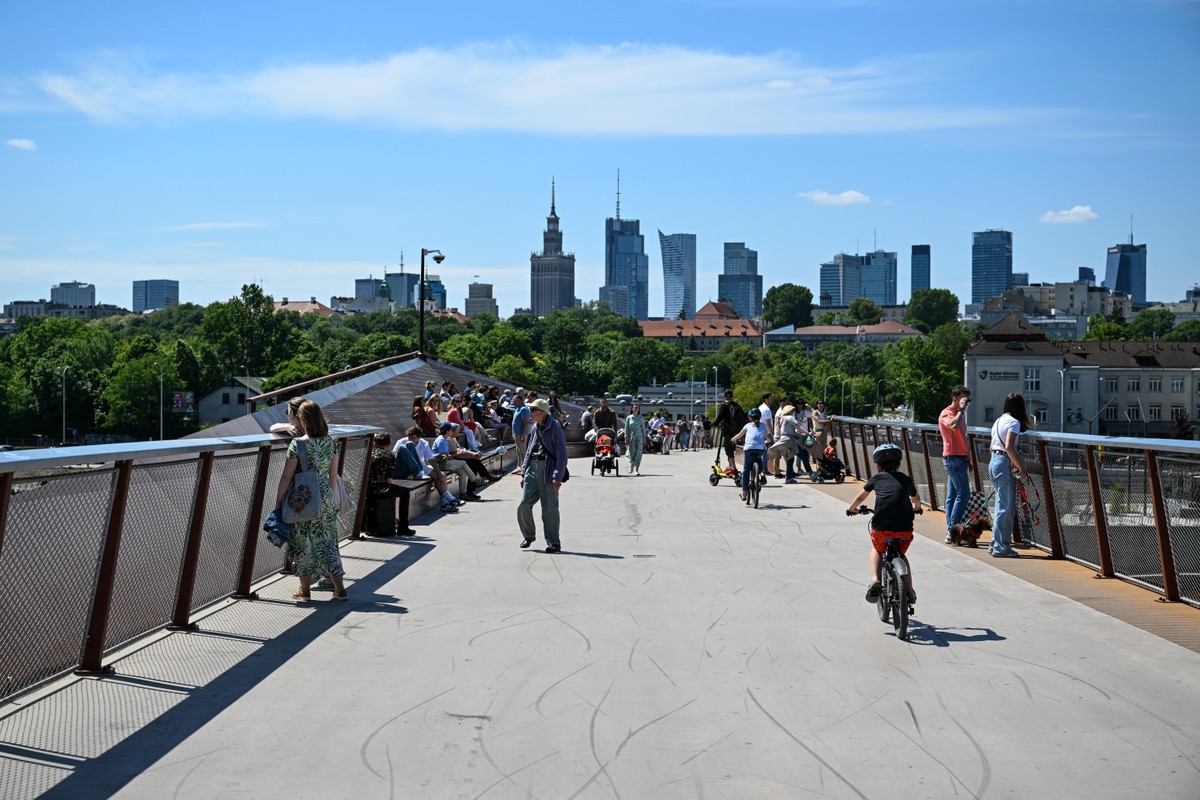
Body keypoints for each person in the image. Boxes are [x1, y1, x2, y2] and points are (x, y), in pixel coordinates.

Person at [273, 400, 348, 602]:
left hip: (303, 498)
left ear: (302, 420)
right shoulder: (331, 443)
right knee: (329, 542)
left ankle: (305, 590)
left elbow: (287, 476)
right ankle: (339, 589)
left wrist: (278, 501)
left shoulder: (298, 444)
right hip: (325, 496)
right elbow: (333, 476)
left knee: (302, 543)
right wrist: (330, 499)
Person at [847, 443, 922, 605]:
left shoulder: (876, 479)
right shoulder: (906, 479)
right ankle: (909, 590)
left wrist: (852, 509)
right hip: (904, 529)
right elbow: (915, 499)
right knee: (901, 555)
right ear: (899, 464)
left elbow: (861, 497)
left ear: (878, 465)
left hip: (882, 528)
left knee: (877, 549)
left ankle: (875, 579)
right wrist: (917, 508)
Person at [518, 398, 568, 553]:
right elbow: (529, 450)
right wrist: (523, 471)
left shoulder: (555, 427)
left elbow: (562, 453)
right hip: (533, 467)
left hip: (548, 469)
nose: (530, 413)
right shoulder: (534, 427)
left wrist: (557, 475)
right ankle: (529, 535)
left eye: (532, 410)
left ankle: (553, 542)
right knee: (524, 504)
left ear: (541, 412)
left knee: (549, 509)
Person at [989, 392, 1030, 558]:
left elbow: (993, 446)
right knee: (1006, 507)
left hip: (994, 461)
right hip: (1004, 462)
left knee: (1001, 504)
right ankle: (1001, 547)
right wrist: (1022, 468)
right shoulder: (1014, 423)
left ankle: (996, 544)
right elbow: (1009, 447)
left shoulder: (998, 421)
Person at [394, 427, 461, 512]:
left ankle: (445, 503)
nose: (410, 439)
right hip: (405, 467)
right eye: (409, 437)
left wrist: (439, 472)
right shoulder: (402, 442)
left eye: (413, 438)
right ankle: (449, 498)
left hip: (421, 466)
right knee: (407, 446)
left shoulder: (424, 443)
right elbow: (395, 456)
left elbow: (431, 459)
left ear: (419, 437)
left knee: (441, 476)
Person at [939, 385, 972, 545]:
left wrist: (968, 458)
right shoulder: (947, 413)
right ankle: (953, 531)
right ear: (955, 399)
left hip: (959, 458)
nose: (966, 403)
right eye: (964, 400)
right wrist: (961, 410)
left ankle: (950, 530)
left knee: (952, 496)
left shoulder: (959, 414)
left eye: (968, 400)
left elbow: (962, 438)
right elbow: (953, 425)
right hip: (952, 459)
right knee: (963, 495)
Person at [366, 432, 417, 536]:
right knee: (405, 492)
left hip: (367, 490)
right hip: (381, 490)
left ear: (375, 443)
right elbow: (389, 481)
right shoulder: (389, 455)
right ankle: (403, 527)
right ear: (388, 444)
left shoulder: (369, 453)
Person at [432, 423, 485, 499]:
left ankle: (463, 494)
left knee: (462, 472)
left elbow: (448, 455)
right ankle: (475, 480)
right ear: (447, 431)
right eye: (450, 430)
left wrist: (456, 457)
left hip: (444, 462)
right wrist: (456, 457)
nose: (452, 431)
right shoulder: (441, 440)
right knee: (463, 463)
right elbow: (446, 456)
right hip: (441, 464)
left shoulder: (444, 439)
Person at [731, 407, 768, 502]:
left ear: (750, 418)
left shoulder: (747, 426)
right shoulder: (764, 425)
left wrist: (733, 439)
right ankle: (762, 473)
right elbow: (768, 437)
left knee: (746, 470)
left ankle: (744, 493)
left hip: (749, 449)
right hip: (760, 449)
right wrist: (768, 441)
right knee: (759, 458)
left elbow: (739, 435)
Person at [713, 390, 746, 474]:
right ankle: (730, 466)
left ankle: (733, 468)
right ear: (732, 397)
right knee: (732, 449)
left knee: (728, 450)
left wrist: (713, 424)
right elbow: (744, 416)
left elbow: (719, 417)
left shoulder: (724, 406)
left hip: (727, 432)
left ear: (724, 397)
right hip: (736, 432)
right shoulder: (736, 405)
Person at [623, 403, 647, 474]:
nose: (635, 409)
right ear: (632, 409)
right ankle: (632, 465)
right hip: (631, 437)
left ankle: (637, 469)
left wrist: (644, 438)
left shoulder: (641, 418)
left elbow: (643, 429)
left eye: (637, 408)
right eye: (634, 407)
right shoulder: (629, 418)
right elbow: (626, 428)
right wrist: (626, 437)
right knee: (632, 452)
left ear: (639, 409)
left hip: (639, 437)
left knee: (638, 453)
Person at [758, 393, 778, 477]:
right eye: (770, 398)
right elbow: (768, 423)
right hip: (767, 433)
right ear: (766, 399)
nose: (772, 400)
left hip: (760, 432)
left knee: (764, 451)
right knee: (768, 452)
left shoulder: (760, 407)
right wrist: (773, 434)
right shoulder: (767, 410)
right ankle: (764, 469)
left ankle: (762, 468)